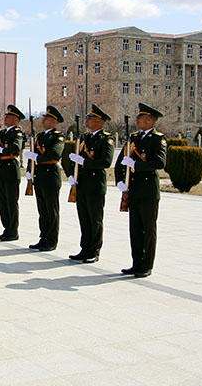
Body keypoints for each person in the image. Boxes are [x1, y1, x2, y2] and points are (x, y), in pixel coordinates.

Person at [114, 103, 168, 278]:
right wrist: (120, 181)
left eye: (141, 118)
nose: (137, 120)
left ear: (150, 120)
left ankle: (146, 265)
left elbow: (159, 163)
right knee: (135, 229)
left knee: (148, 229)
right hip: (133, 190)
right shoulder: (133, 138)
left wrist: (136, 165)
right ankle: (136, 262)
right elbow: (120, 161)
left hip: (148, 190)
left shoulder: (158, 139)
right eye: (137, 118)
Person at [67, 104, 114, 264]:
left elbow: (105, 162)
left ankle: (94, 250)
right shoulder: (85, 138)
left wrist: (84, 162)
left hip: (95, 184)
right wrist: (72, 173)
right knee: (84, 217)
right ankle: (84, 248)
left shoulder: (106, 139)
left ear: (99, 121)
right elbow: (77, 158)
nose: (87, 120)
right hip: (82, 183)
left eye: (90, 118)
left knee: (94, 219)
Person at [25, 106, 65, 251]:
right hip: (39, 175)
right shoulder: (39, 136)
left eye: (47, 118)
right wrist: (30, 170)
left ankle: (52, 240)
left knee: (51, 210)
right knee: (42, 210)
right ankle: (43, 237)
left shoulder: (58, 137)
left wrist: (38, 158)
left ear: (54, 122)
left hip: (50, 175)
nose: (44, 120)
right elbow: (32, 154)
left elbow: (55, 154)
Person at [0, 104, 25, 241]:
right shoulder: (3, 132)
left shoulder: (17, 133)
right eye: (6, 116)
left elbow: (15, 148)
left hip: (11, 168)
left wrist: (2, 151)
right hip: (1, 169)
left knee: (11, 202)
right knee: (2, 201)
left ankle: (13, 231)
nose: (6, 118)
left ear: (16, 120)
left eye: (9, 116)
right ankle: (6, 228)